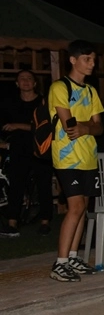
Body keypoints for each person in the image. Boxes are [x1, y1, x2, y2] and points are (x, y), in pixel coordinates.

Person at [49, 40, 104, 283]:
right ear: (73, 60)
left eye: (93, 59)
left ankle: (72, 256)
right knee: (75, 207)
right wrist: (86, 127)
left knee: (83, 207)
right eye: (87, 59)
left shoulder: (91, 91)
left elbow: (100, 127)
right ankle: (59, 263)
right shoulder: (59, 87)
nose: (92, 64)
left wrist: (87, 128)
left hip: (88, 157)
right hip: (67, 157)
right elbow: (69, 126)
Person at [0, 70, 54, 238]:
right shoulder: (10, 103)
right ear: (17, 83)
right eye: (22, 79)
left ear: (35, 83)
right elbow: (4, 126)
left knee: (44, 184)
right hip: (18, 149)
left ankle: (45, 221)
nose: (25, 81)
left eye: (29, 78)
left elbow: (46, 127)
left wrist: (18, 126)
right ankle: (12, 223)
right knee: (16, 184)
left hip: (40, 149)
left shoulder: (43, 102)